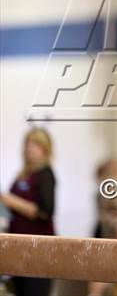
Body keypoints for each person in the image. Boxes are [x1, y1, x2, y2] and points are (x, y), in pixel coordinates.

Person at [0, 127, 56, 296]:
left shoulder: (45, 174)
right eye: (28, 144)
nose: (29, 148)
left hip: (38, 247)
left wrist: (10, 200)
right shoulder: (22, 175)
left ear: (45, 149)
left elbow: (45, 211)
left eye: (35, 145)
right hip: (17, 244)